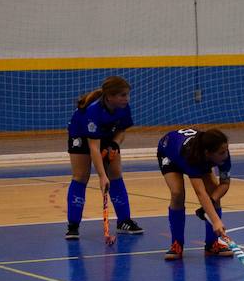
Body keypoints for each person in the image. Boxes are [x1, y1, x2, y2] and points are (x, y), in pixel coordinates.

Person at [65, 75, 143, 240]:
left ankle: (124, 221)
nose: (126, 99)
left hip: (107, 135)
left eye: (127, 95)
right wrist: (102, 176)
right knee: (81, 176)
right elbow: (93, 147)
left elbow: (121, 130)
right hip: (80, 134)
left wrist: (114, 144)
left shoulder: (123, 107)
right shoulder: (93, 111)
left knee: (115, 173)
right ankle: (73, 226)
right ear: (110, 96)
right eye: (122, 95)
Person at [157, 128, 234, 261]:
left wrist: (211, 201)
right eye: (221, 152)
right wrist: (216, 220)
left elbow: (225, 184)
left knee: (214, 190)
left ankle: (212, 244)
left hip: (197, 157)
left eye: (226, 150)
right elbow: (200, 191)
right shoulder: (192, 156)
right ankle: (177, 244)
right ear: (208, 153)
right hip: (170, 153)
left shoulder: (222, 155)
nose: (225, 155)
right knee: (177, 193)